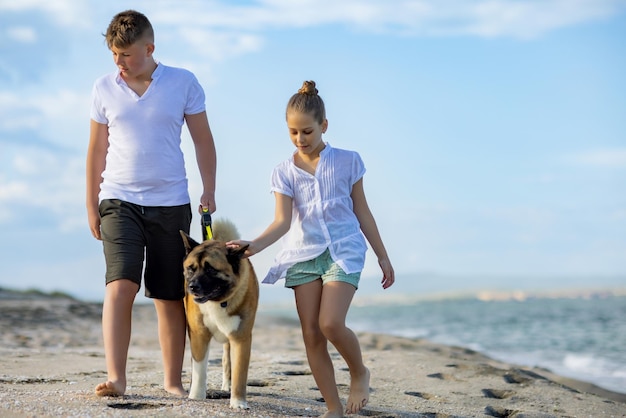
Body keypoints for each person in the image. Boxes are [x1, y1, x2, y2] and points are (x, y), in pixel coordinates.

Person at [228, 80, 395, 417]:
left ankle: (359, 371)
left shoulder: (348, 161)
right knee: (311, 333)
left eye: (307, 131)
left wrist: (382, 254)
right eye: (293, 132)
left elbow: (362, 211)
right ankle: (333, 408)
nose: (300, 139)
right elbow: (282, 221)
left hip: (343, 250)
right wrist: (253, 245)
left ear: (324, 126)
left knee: (331, 323)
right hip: (303, 255)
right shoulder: (283, 172)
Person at [85, 10, 217, 397]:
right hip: (119, 199)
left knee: (168, 295)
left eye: (126, 54)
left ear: (149, 48)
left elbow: (203, 140)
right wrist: (91, 204)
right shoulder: (103, 87)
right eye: (114, 55)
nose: (119, 63)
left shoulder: (183, 82)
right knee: (121, 285)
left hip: (171, 202)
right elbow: (96, 149)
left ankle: (172, 382)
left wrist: (208, 189)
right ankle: (117, 378)